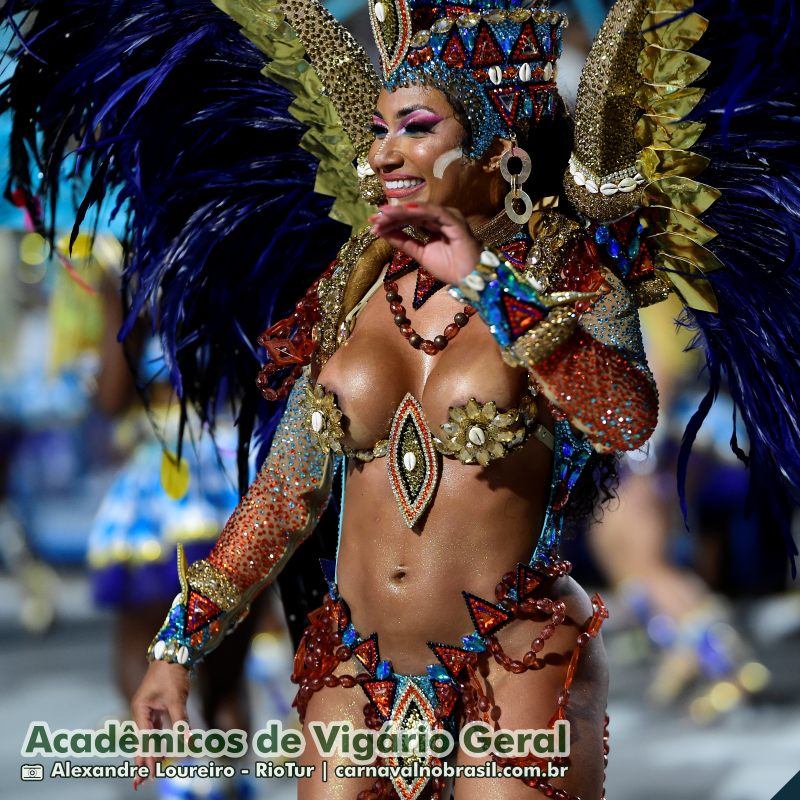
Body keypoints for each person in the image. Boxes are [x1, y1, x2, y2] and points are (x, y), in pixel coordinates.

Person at [2, 1, 798, 800]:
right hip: (352, 674)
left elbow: (623, 415)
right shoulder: (353, 284)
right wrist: (177, 650)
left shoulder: (568, 273)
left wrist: (485, 284)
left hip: (514, 663)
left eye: (414, 127)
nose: (384, 151)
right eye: (379, 130)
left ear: (499, 152)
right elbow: (285, 496)